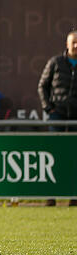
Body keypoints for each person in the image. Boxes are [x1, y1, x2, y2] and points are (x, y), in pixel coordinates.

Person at [37, 30, 77, 207]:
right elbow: (42, 86)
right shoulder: (56, 62)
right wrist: (49, 108)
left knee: (74, 157)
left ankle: (73, 196)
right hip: (58, 115)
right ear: (67, 44)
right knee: (53, 156)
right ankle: (50, 196)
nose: (76, 45)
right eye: (73, 42)